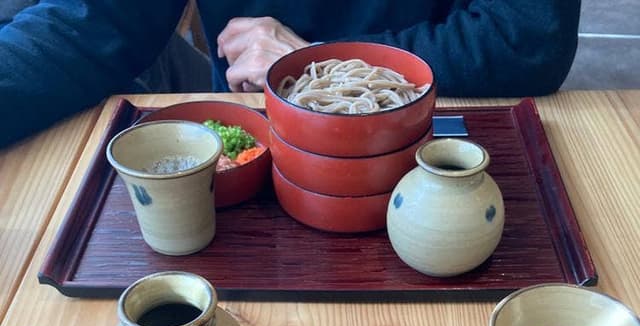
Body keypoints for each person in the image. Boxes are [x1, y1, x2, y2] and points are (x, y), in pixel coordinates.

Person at [0, 1, 581, 148]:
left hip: (439, 132)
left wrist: (317, 62)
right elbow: (90, 22)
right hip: (255, 143)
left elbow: (527, 38)